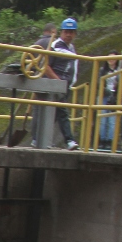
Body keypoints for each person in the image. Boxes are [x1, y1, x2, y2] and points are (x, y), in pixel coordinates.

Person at [31, 18, 79, 150]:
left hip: (65, 86)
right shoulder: (55, 46)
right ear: (61, 32)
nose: (68, 34)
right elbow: (45, 66)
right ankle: (69, 140)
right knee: (60, 112)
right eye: (66, 32)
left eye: (71, 32)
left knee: (54, 114)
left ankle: (38, 138)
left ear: (75, 33)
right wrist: (57, 81)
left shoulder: (71, 48)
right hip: (54, 86)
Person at [98, 58, 120, 149]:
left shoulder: (119, 70)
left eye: (113, 58)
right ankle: (101, 140)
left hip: (115, 97)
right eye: (109, 57)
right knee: (102, 119)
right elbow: (98, 83)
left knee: (112, 121)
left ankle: (110, 141)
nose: (111, 60)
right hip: (104, 95)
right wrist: (105, 90)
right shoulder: (102, 70)